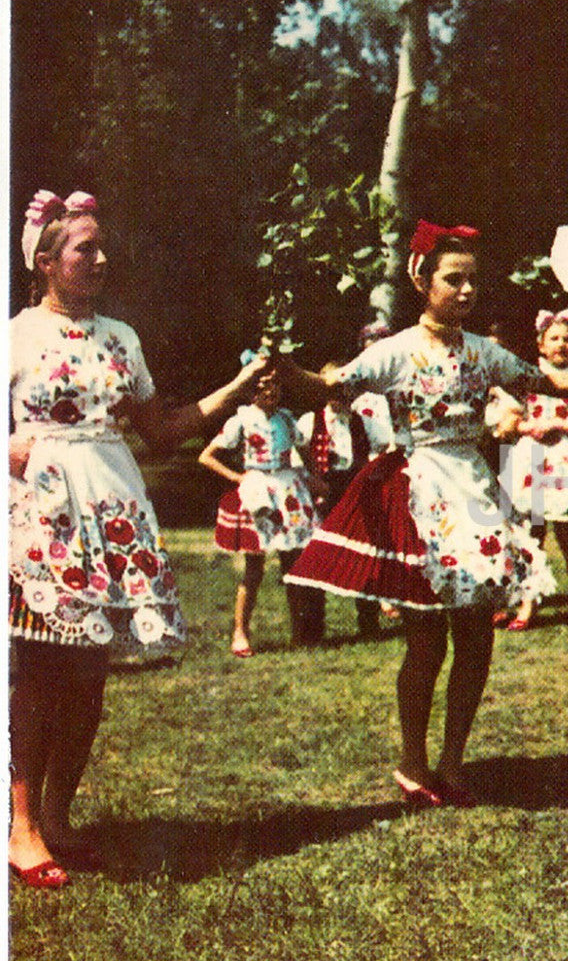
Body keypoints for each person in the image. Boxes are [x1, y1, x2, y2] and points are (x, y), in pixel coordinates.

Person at [282, 221, 568, 809]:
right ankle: (412, 759)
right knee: (425, 640)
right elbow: (335, 386)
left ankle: (453, 761)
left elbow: (546, 380)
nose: (467, 291)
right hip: (421, 493)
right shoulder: (395, 350)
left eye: (473, 280)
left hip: (473, 491)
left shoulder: (484, 351)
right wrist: (279, 368)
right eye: (454, 280)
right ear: (420, 280)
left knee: (476, 635)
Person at [9, 190, 269, 887]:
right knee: (36, 671)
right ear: (44, 260)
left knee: (90, 674)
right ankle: (23, 826)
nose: (100, 258)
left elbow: (159, 429)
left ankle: (60, 816)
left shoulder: (122, 338)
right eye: (82, 248)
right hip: (42, 513)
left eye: (101, 246)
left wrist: (240, 386)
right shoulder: (16, 336)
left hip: (113, 508)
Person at [199, 371, 321, 656]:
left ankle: (299, 632)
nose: (271, 393)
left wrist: (312, 476)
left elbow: (304, 449)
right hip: (259, 491)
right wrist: (238, 478)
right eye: (264, 388)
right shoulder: (241, 420)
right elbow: (206, 456)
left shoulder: (287, 419)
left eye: (275, 386)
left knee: (293, 565)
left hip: (287, 488)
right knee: (254, 569)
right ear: (251, 392)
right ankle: (240, 632)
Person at [491, 308, 568, 631]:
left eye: (567, 339)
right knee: (530, 537)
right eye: (554, 339)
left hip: (566, 462)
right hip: (532, 462)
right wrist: (528, 425)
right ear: (541, 345)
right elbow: (506, 422)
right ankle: (527, 603)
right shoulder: (527, 377)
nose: (561, 345)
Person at [294, 371, 393, 639]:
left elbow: (386, 446)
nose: (340, 397)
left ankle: (369, 622)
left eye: (345, 391)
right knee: (317, 554)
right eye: (334, 391)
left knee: (363, 552)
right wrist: (313, 481)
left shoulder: (363, 422)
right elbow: (296, 455)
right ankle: (313, 628)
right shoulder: (309, 421)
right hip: (323, 488)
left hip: (353, 486)